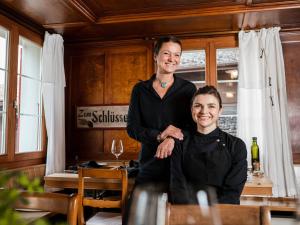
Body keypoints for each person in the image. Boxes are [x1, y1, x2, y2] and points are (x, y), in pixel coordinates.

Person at [126, 35, 196, 190]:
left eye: (177, 55)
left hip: (181, 166)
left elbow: (193, 128)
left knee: (178, 214)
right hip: (149, 165)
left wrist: (172, 140)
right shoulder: (140, 90)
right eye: (167, 53)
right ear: (155, 56)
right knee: (142, 213)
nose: (172, 59)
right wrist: (160, 136)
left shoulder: (189, 89)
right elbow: (132, 128)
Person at [170, 85, 247, 204]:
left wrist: (213, 217)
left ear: (220, 111)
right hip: (188, 214)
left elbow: (232, 193)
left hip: (223, 215)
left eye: (211, 106)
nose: (204, 111)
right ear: (192, 110)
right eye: (198, 106)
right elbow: (177, 187)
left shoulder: (236, 145)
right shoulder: (179, 144)